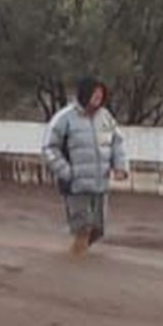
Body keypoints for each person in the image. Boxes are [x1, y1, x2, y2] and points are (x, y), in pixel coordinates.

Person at [42, 76, 129, 255]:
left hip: (100, 183)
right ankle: (76, 267)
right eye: (94, 94)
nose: (97, 98)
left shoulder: (105, 117)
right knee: (83, 228)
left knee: (98, 230)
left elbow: (117, 142)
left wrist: (120, 166)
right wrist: (66, 172)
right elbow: (49, 148)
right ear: (85, 94)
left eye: (101, 95)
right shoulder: (64, 118)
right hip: (75, 184)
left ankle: (74, 256)